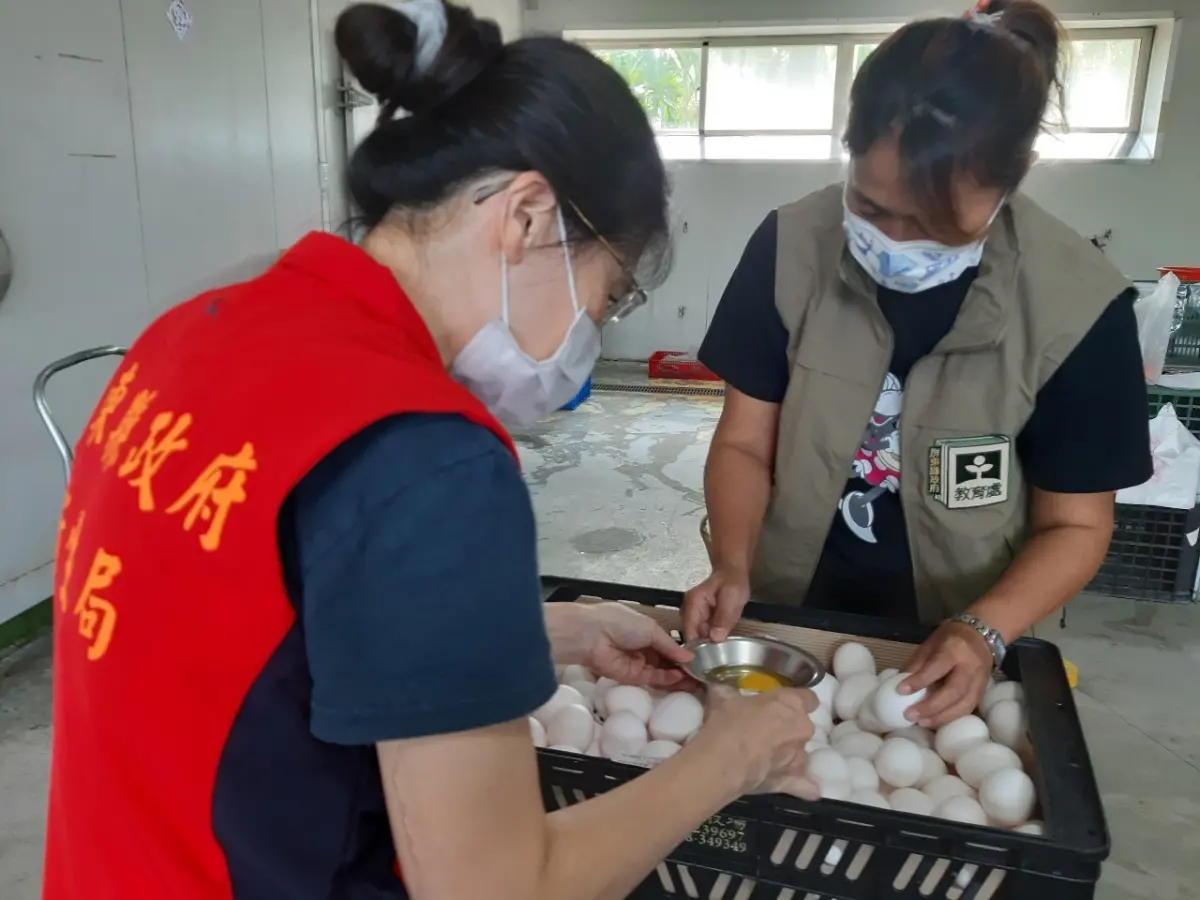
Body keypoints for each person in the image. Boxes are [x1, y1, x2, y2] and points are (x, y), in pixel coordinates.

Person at [42, 3, 819, 899]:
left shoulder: (188, 335)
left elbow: (240, 626)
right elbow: (494, 889)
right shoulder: (426, 455)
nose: (587, 334)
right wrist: (725, 761)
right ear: (527, 215)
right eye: (607, 298)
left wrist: (535, 633)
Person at [684, 0, 1152, 728]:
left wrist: (985, 627)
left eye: (933, 223)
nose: (894, 238)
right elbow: (746, 442)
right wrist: (736, 564)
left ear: (1012, 177)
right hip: (793, 599)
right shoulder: (789, 249)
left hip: (957, 627)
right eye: (870, 208)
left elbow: (1077, 527)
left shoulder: (1076, 308)